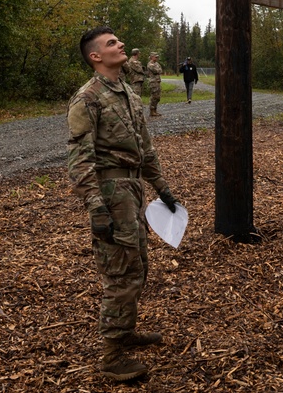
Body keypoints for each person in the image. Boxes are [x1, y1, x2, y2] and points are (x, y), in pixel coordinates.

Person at [66, 26, 181, 382]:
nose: (121, 45)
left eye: (118, 40)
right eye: (112, 43)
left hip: (132, 189)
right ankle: (111, 355)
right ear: (95, 57)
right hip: (110, 191)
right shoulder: (87, 98)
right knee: (121, 272)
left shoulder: (128, 93)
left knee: (138, 265)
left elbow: (144, 149)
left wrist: (162, 188)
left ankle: (125, 331)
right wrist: (96, 206)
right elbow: (79, 158)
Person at [146, 52, 163, 118]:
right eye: (156, 57)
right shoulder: (150, 64)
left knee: (158, 97)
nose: (157, 58)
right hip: (153, 82)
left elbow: (160, 70)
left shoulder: (156, 63)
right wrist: (158, 70)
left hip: (157, 81)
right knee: (154, 96)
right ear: (152, 57)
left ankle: (155, 110)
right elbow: (156, 71)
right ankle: (152, 110)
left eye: (157, 57)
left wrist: (158, 70)